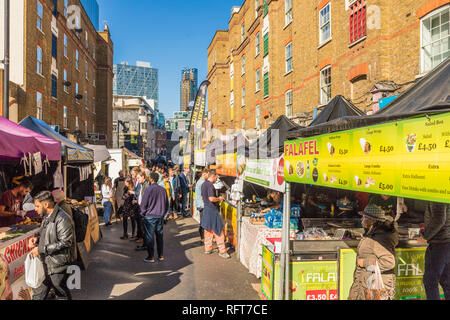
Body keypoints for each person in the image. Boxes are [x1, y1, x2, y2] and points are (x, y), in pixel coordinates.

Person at [28, 191, 76, 300]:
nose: (35, 209)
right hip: (46, 263)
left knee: (61, 294)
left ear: (46, 204)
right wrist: (37, 239)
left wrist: (41, 249)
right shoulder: (47, 217)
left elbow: (65, 242)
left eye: (37, 206)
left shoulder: (63, 218)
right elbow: (48, 235)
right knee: (38, 294)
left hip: (57, 265)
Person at [348, 204, 399, 300]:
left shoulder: (379, 239)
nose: (361, 220)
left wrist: (365, 262)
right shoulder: (374, 235)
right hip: (368, 284)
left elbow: (388, 262)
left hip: (376, 286)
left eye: (364, 217)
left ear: (373, 221)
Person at [420, 202, 449, 300]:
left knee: (430, 281)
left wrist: (426, 236)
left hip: (440, 243)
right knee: (446, 281)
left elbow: (439, 221)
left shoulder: (437, 197)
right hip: (445, 243)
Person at [139, 172, 169, 263]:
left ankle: (151, 256)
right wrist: (164, 214)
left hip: (150, 216)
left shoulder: (148, 189)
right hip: (159, 216)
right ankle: (161, 255)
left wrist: (143, 213)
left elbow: (143, 204)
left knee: (150, 237)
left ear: (151, 179)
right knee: (159, 236)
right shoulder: (163, 190)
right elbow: (167, 204)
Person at [201, 170, 230, 259]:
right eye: (216, 178)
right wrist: (219, 198)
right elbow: (211, 199)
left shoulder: (204, 184)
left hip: (206, 208)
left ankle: (208, 248)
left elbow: (203, 197)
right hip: (212, 210)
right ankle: (222, 251)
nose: (216, 180)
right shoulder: (210, 185)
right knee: (218, 230)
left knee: (208, 230)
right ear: (213, 176)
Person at [135, 172, 150, 250]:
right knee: (143, 228)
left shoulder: (146, 185)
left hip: (144, 210)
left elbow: (147, 199)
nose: (137, 179)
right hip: (141, 209)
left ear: (143, 177)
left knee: (145, 229)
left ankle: (146, 246)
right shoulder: (142, 185)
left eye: (138, 178)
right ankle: (145, 245)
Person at [195, 169, 209, 242]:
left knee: (203, 221)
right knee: (203, 222)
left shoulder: (200, 181)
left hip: (200, 204)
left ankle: (203, 237)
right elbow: (203, 195)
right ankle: (203, 238)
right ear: (204, 174)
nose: (208, 176)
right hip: (202, 204)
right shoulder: (202, 183)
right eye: (208, 174)